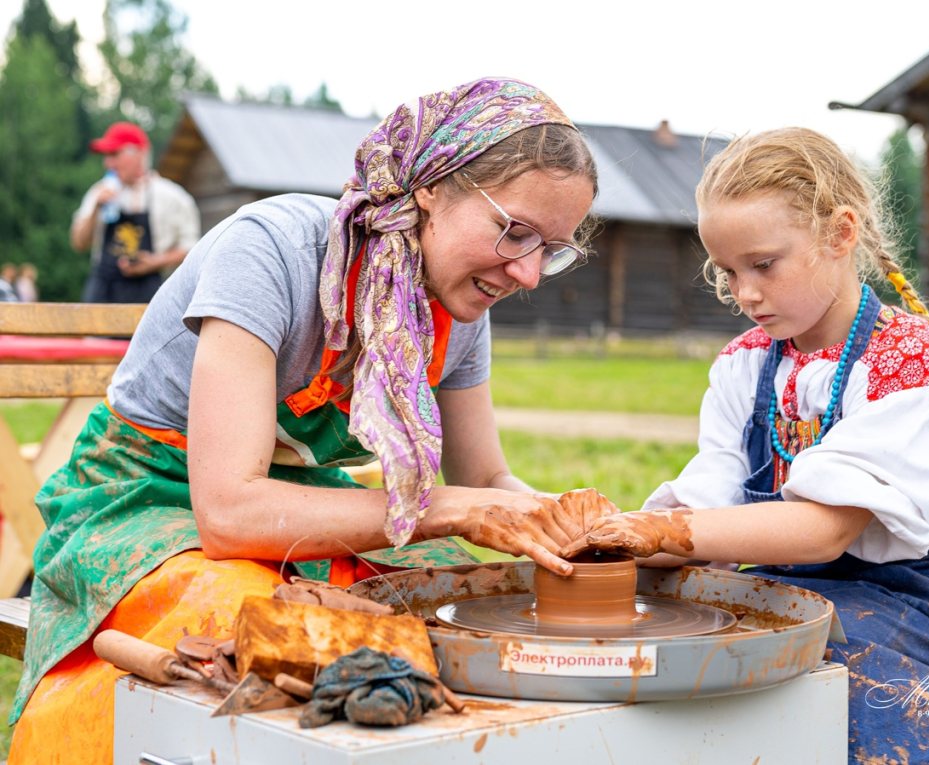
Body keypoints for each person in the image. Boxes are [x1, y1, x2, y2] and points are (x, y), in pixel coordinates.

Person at [9, 78, 613, 763]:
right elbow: (229, 512)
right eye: (515, 231)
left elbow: (484, 476)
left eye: (552, 249)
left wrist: (579, 525)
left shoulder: (460, 303)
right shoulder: (274, 253)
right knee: (250, 617)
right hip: (139, 493)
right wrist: (441, 507)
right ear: (432, 189)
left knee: (452, 599)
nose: (529, 272)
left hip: (297, 494)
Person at [563, 128, 929, 763]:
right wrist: (610, 543)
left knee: (808, 666)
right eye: (728, 272)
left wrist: (662, 533)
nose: (745, 293)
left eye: (764, 265)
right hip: (791, 585)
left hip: (913, 593)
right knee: (688, 638)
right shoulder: (745, 364)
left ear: (841, 234)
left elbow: (823, 532)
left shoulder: (908, 360)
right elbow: (713, 499)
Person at [71, 121, 200, 303]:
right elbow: (78, 243)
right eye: (106, 156)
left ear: (139, 154)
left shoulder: (173, 197)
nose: (108, 163)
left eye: (114, 154)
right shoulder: (99, 192)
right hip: (101, 294)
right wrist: (96, 209)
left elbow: (192, 250)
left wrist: (156, 262)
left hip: (150, 296)